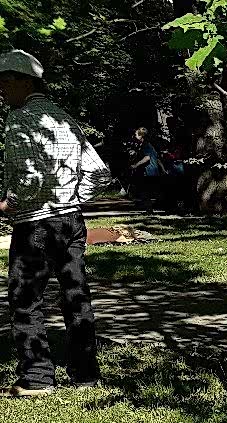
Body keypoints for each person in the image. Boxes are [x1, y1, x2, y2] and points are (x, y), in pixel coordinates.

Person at [1, 49, 112, 398]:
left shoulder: (20, 119)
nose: (2, 91)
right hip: (71, 222)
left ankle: (36, 378)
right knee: (75, 296)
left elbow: (29, 180)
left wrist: (7, 204)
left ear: (24, 82)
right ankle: (86, 374)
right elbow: (100, 173)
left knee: (25, 298)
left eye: (5, 83)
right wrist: (71, 197)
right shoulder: (65, 119)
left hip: (35, 225)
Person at [128, 127, 164, 209]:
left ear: (141, 136)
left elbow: (147, 157)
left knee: (145, 190)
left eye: (136, 135)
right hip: (153, 171)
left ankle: (147, 207)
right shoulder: (148, 145)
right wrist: (163, 169)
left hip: (148, 171)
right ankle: (150, 206)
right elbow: (157, 158)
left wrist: (135, 165)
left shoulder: (145, 145)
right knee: (151, 190)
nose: (134, 136)